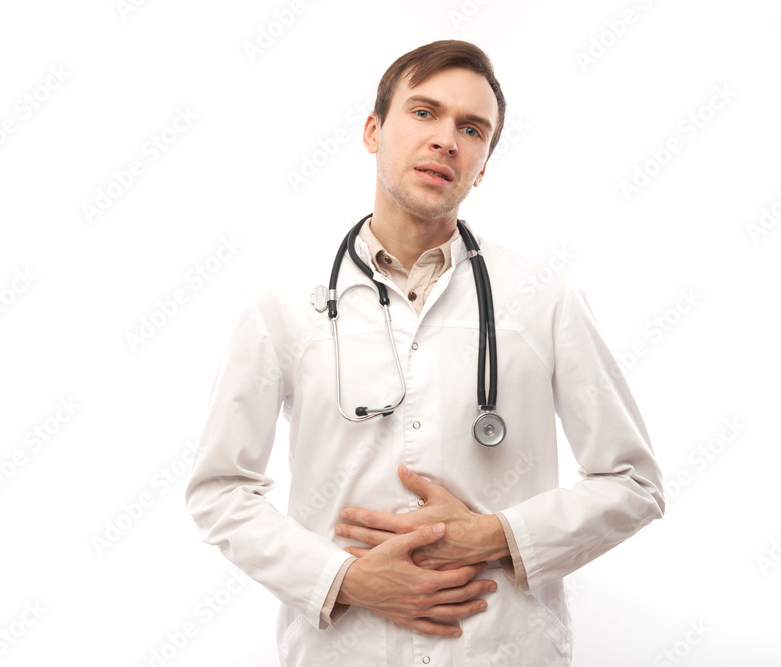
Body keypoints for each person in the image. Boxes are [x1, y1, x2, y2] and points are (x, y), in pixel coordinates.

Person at [185, 39, 665, 665]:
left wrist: (495, 535)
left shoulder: (544, 300)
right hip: (346, 648)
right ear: (372, 131)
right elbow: (221, 489)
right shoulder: (281, 303)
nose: (446, 140)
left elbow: (633, 483)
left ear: (483, 163)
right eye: (423, 113)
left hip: (500, 648)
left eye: (472, 129)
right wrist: (343, 581)